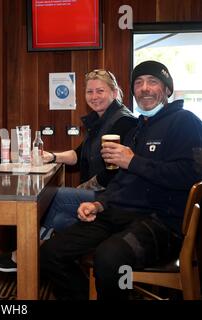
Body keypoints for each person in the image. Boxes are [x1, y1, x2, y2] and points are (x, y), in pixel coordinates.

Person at [40, 60, 202, 300]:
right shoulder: (139, 127)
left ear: (167, 89)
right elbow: (121, 181)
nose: (144, 88)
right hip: (121, 213)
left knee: (109, 259)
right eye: (139, 83)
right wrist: (99, 204)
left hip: (163, 223)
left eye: (153, 82)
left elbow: (192, 175)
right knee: (50, 253)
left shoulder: (186, 122)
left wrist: (133, 161)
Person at [0, 69, 137, 272]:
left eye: (100, 91)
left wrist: (83, 186)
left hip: (110, 198)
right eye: (90, 92)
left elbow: (113, 171)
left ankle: (27, 252)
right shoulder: (100, 121)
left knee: (54, 196)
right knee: (58, 219)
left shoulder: (123, 122)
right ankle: (47, 252)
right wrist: (51, 156)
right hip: (100, 195)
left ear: (114, 92)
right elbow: (78, 155)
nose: (94, 96)